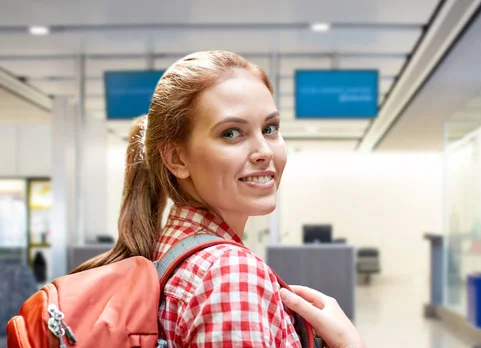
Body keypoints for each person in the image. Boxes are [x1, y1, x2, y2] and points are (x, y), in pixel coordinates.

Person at [72, 51, 365, 348]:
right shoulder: (230, 273)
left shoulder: (168, 250)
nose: (264, 150)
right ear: (176, 158)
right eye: (232, 133)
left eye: (269, 128)